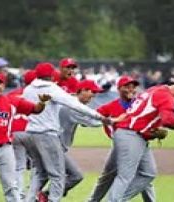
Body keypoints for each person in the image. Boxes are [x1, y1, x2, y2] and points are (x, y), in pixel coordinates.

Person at [22, 62, 109, 202]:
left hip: (31, 134)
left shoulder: (28, 90)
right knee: (59, 176)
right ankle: (47, 198)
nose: (93, 95)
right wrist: (105, 119)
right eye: (92, 92)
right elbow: (87, 117)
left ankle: (32, 199)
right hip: (48, 137)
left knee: (40, 174)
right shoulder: (55, 91)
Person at [107, 80, 174, 202]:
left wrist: (153, 126)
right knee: (125, 176)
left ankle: (117, 200)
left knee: (148, 173)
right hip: (130, 134)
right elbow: (169, 121)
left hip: (134, 134)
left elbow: (145, 112)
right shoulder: (166, 95)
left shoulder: (156, 89)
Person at [0, 72, 49, 202]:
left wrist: (42, 102)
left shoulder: (12, 101)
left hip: (4, 150)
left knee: (11, 187)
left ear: (4, 85)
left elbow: (36, 109)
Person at [87, 76, 157, 202]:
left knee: (145, 176)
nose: (131, 89)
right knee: (109, 176)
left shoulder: (140, 104)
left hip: (140, 142)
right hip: (120, 145)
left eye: (133, 86)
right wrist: (109, 121)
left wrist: (156, 132)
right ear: (119, 89)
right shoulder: (110, 106)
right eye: (127, 86)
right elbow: (92, 117)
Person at [35, 80, 104, 201]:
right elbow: (94, 123)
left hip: (50, 144)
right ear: (81, 90)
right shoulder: (72, 107)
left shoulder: (69, 102)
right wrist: (113, 119)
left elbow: (84, 122)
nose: (94, 95)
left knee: (43, 176)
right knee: (73, 176)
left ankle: (35, 197)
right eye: (91, 91)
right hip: (53, 146)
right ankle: (43, 196)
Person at [6, 70, 36, 199]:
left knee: (19, 166)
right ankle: (33, 194)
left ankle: (19, 194)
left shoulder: (12, 94)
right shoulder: (38, 94)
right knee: (37, 165)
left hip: (14, 132)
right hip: (31, 131)